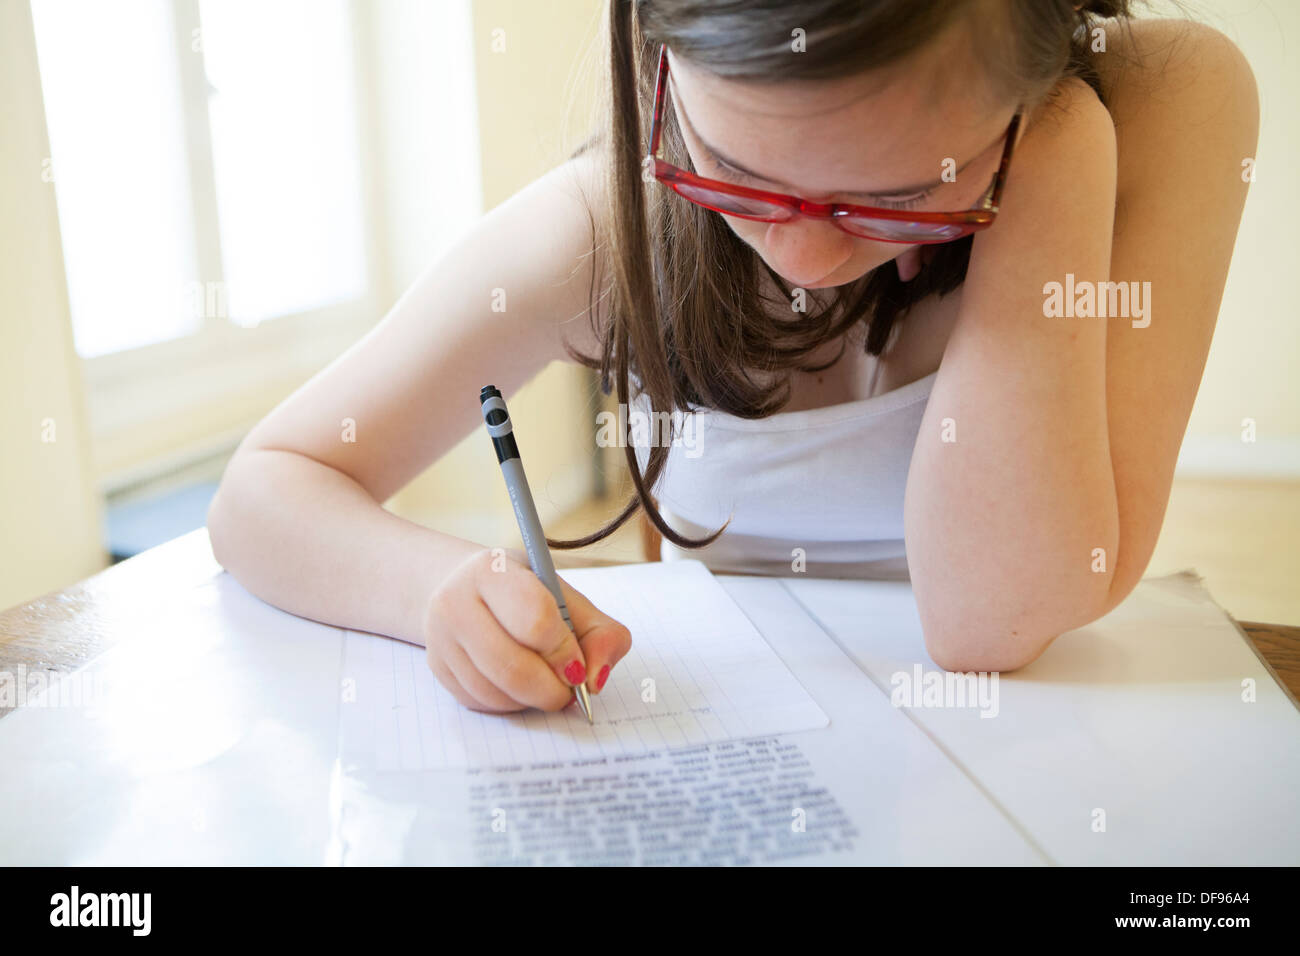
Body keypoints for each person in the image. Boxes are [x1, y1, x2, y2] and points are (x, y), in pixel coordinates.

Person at [208, 0, 1258, 713]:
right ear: (660, 71)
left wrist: (1057, 139)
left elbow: (990, 618)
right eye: (737, 172)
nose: (804, 254)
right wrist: (435, 587)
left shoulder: (1155, 99)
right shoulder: (608, 225)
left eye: (889, 196)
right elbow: (267, 487)